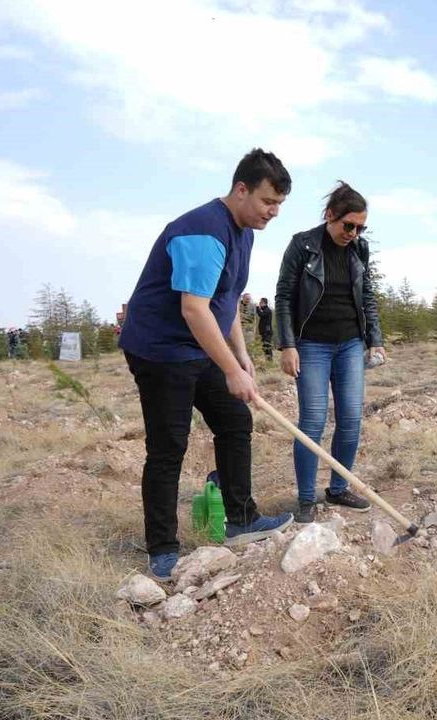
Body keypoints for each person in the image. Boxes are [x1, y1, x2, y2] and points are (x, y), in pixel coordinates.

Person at [118, 148, 295, 581]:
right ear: (241, 189)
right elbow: (195, 309)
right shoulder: (202, 231)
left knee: (235, 422)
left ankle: (241, 520)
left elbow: (227, 298)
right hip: (160, 350)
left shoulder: (245, 231)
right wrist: (231, 371)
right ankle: (162, 550)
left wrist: (241, 355)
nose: (272, 212)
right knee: (168, 446)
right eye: (267, 201)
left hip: (199, 346)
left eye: (279, 205)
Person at [275, 182, 385, 524]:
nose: (353, 233)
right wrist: (287, 345)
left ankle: (338, 489)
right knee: (312, 422)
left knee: (351, 419)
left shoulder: (358, 250)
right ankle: (306, 498)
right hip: (311, 345)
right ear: (330, 216)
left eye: (360, 227)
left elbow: (367, 294)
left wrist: (375, 339)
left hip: (350, 343)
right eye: (347, 225)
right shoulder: (302, 245)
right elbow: (283, 297)